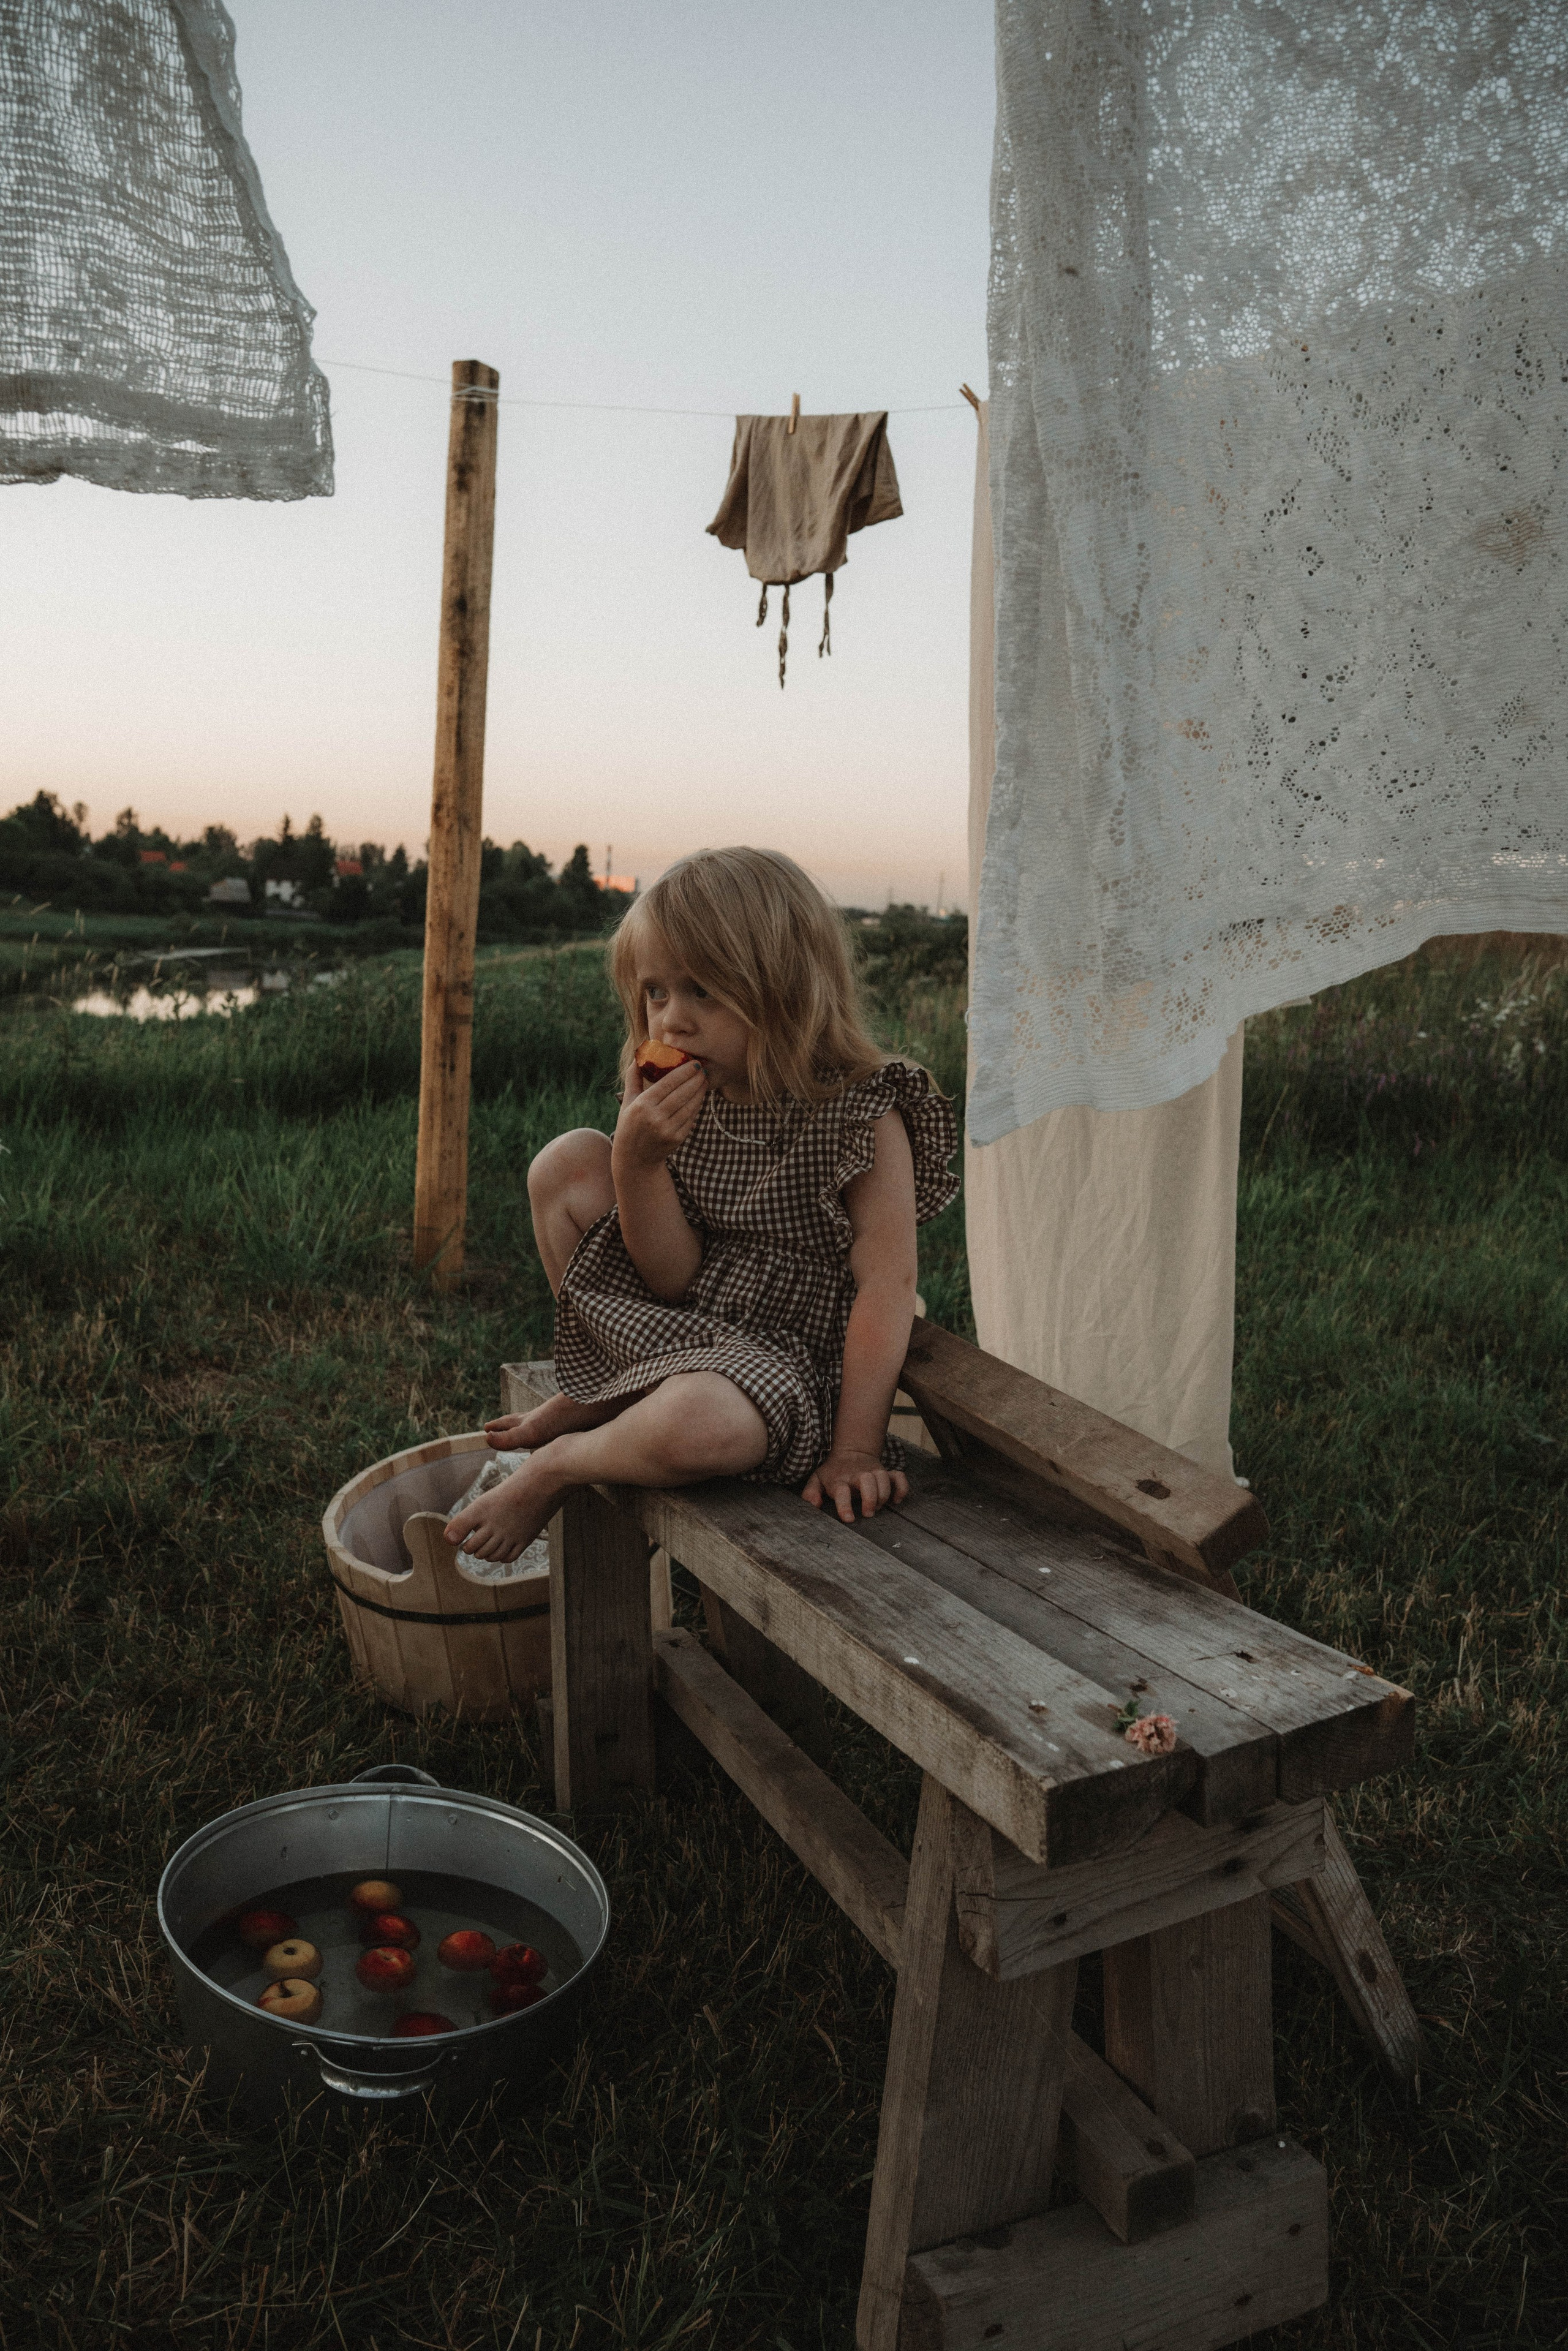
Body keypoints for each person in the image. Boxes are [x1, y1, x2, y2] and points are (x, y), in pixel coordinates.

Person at [446, 846, 959, 1563]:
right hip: (689, 1318)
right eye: (656, 993)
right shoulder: (689, 1100)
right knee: (567, 1165)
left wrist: (854, 1448)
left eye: (702, 993)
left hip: (790, 1364)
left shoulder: (862, 1114)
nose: (670, 1023)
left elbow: (887, 1288)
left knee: (701, 1420)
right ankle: (615, 1384)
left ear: (785, 988)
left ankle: (563, 1462)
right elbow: (670, 1279)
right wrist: (636, 1160)